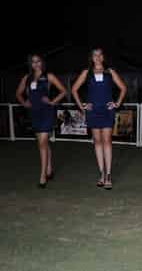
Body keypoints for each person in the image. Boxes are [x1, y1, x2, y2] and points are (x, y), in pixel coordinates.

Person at [71, 47, 127, 190]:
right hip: (93, 111)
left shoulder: (110, 71)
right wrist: (82, 106)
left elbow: (123, 88)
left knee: (107, 141)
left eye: (100, 55)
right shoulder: (86, 72)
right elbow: (74, 89)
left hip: (107, 111)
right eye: (94, 55)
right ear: (91, 57)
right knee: (97, 141)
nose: (97, 57)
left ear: (103, 57)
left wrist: (117, 103)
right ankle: (101, 174)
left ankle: (108, 175)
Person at [16, 53, 67, 188]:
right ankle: (49, 168)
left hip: (46, 112)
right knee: (43, 143)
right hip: (34, 113)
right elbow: (18, 93)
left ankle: (42, 175)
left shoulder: (49, 76)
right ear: (30, 64)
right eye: (33, 62)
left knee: (42, 142)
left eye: (38, 61)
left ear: (42, 62)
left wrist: (52, 102)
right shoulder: (27, 78)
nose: (36, 64)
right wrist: (24, 102)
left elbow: (63, 91)